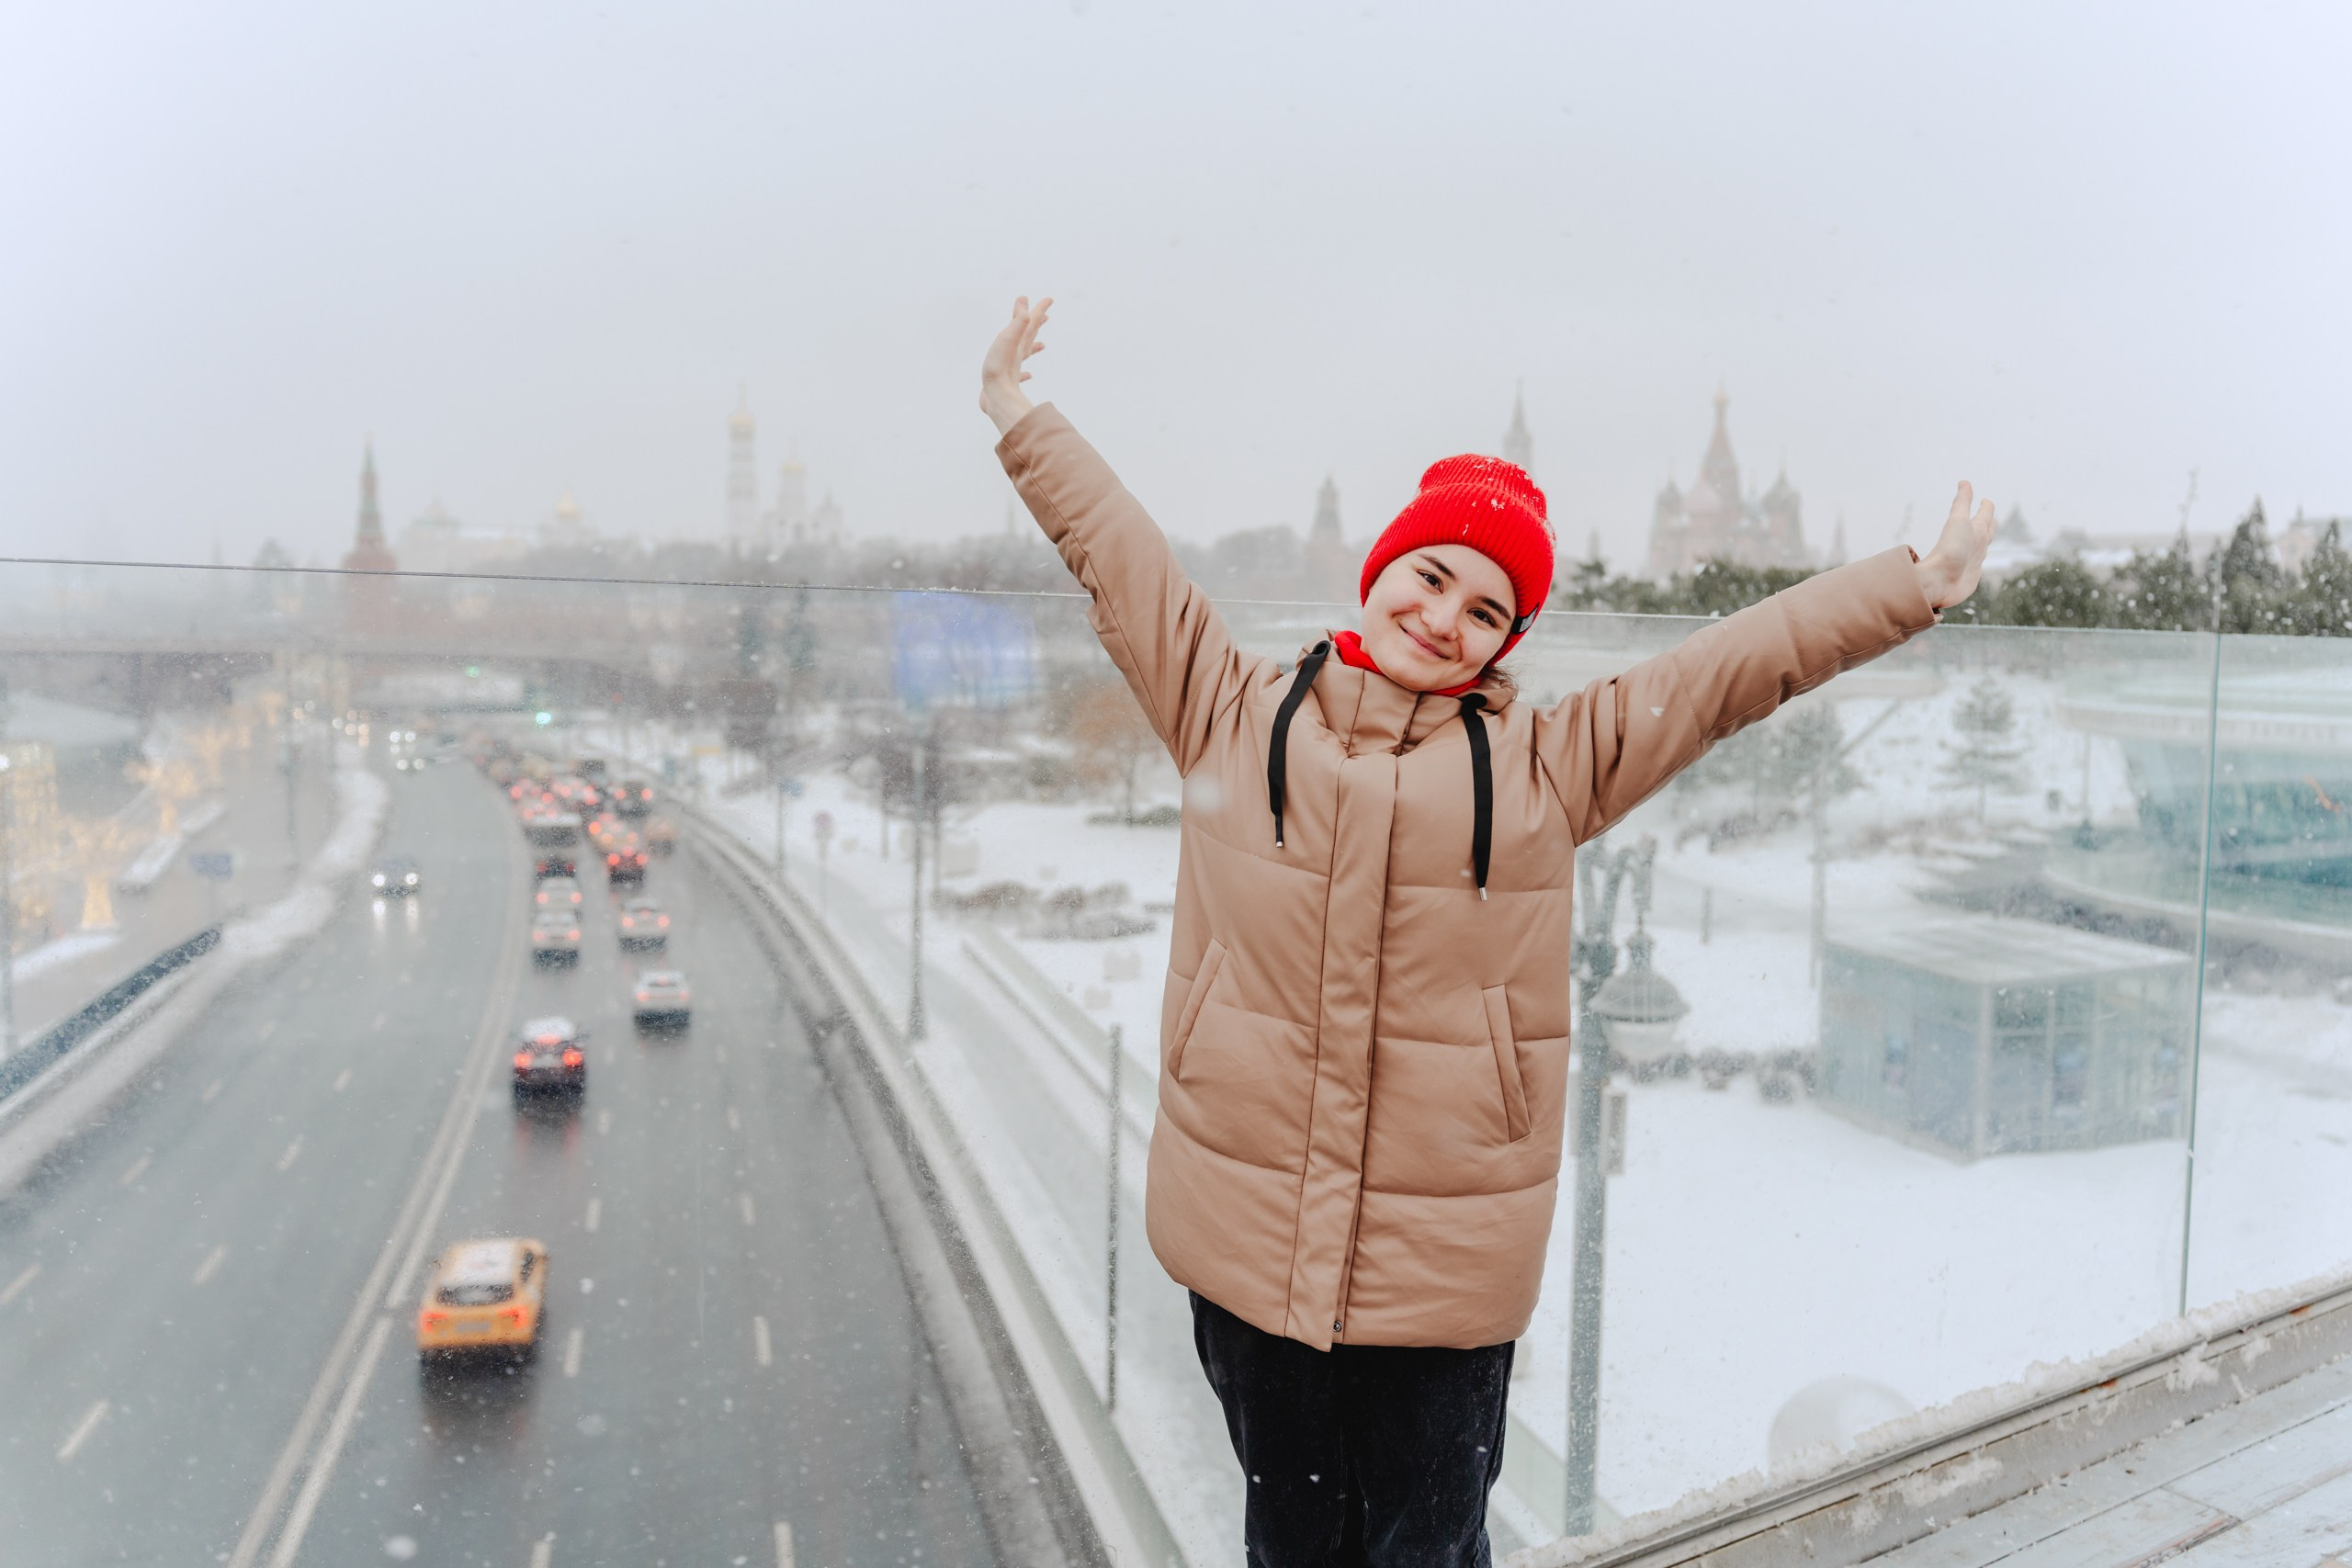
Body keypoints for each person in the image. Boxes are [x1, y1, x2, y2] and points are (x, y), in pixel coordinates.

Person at [979, 296, 1994, 1567]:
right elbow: (1120, 561)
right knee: (1290, 1543)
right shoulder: (1237, 716)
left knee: (1426, 1550)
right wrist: (1022, 418)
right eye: (1433, 578)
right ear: (1381, 574)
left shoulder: (1544, 768)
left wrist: (1911, 588)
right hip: (1251, 1246)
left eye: (1484, 609)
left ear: (1507, 641)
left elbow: (1726, 673)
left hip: (1442, 1275)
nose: (1445, 618)